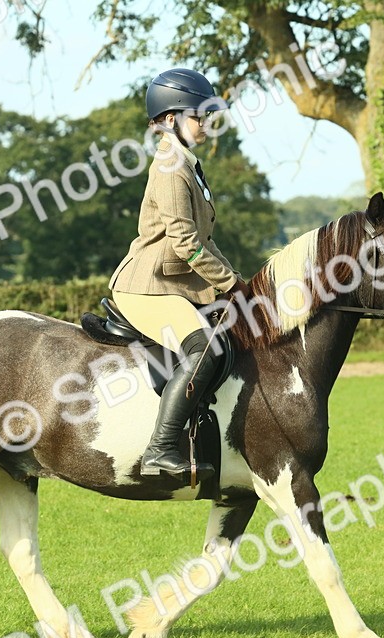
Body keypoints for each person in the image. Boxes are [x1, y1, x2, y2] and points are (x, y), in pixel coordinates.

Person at [108, 68, 247, 479]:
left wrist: (238, 282)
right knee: (203, 347)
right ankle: (160, 449)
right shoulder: (171, 165)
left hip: (173, 283)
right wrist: (229, 284)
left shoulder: (189, 163)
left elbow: (204, 238)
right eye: (198, 116)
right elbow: (185, 242)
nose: (205, 124)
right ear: (171, 120)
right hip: (146, 287)